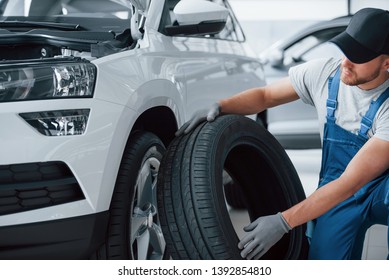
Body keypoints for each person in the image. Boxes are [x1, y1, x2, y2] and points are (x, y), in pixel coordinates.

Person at [176, 7, 389, 260]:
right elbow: (265, 96)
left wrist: (283, 222)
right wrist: (223, 105)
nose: (346, 62)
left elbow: (350, 183)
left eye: (359, 56)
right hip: (336, 191)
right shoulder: (324, 73)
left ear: (386, 63)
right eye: (345, 51)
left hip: (378, 192)